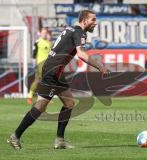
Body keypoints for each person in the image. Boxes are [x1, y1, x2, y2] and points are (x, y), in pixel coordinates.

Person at [7, 10, 109, 150]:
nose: (95, 23)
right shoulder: (80, 32)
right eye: (93, 20)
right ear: (84, 20)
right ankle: (15, 136)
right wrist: (99, 66)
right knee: (41, 106)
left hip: (54, 70)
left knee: (69, 103)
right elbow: (81, 54)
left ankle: (59, 140)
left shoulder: (70, 29)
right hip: (52, 71)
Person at [27, 28, 52, 105]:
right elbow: (34, 54)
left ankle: (30, 96)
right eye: (43, 32)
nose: (44, 34)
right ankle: (44, 97)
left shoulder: (49, 43)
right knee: (46, 80)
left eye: (45, 32)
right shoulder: (38, 42)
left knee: (37, 81)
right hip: (40, 64)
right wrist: (35, 63)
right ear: (40, 33)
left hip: (47, 64)